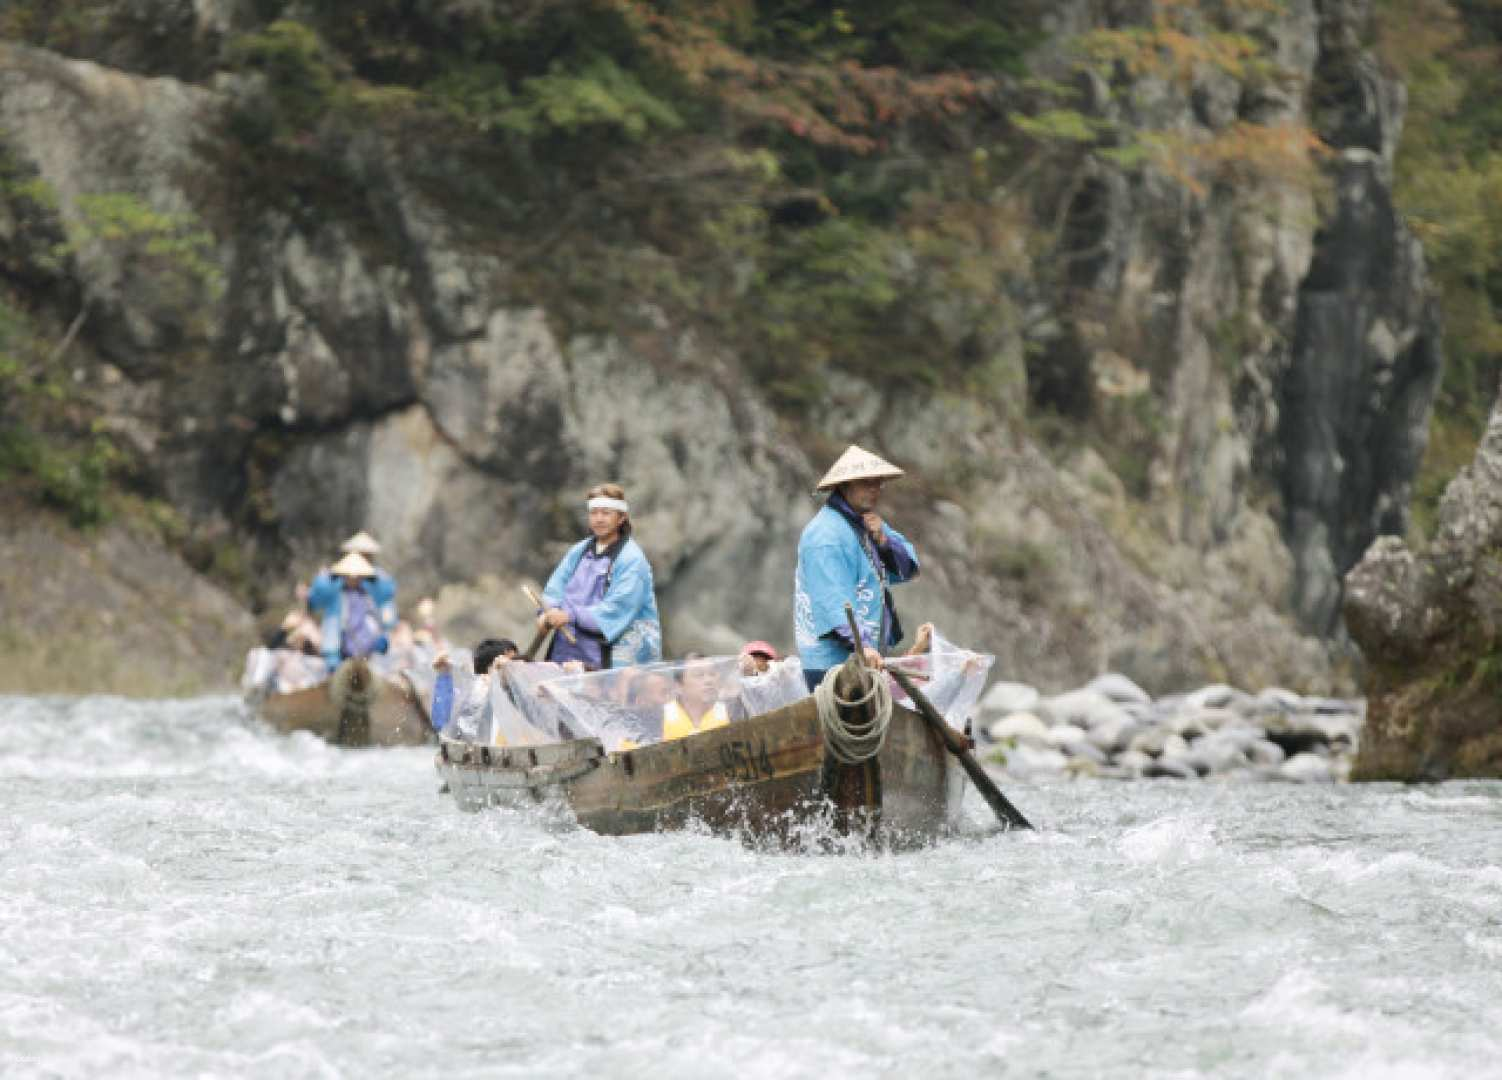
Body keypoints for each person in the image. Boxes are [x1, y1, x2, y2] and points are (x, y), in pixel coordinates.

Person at [793, 444, 919, 691]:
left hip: (865, 657)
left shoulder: (867, 525)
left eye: (878, 483)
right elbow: (833, 600)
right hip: (832, 664)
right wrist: (863, 646)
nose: (874, 490)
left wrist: (884, 541)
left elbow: (910, 567)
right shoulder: (825, 535)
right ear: (845, 485)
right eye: (865, 483)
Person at [536, 483, 662, 670]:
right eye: (594, 513)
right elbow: (555, 588)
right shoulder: (579, 550)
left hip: (612, 651)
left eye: (606, 513)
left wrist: (570, 615)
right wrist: (548, 612)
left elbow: (618, 609)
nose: (599, 519)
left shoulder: (632, 559)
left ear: (621, 518)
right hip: (569, 644)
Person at [307, 552, 398, 671]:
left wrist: (374, 578)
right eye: (349, 574)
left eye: (358, 575)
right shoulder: (334, 591)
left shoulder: (369, 591)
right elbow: (315, 600)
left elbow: (388, 592)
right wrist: (330, 577)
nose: (354, 577)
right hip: (338, 647)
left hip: (368, 647)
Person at [661, 654, 730, 742]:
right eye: (699, 675)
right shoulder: (662, 716)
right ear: (678, 686)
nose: (708, 680)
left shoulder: (730, 713)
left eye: (712, 674)